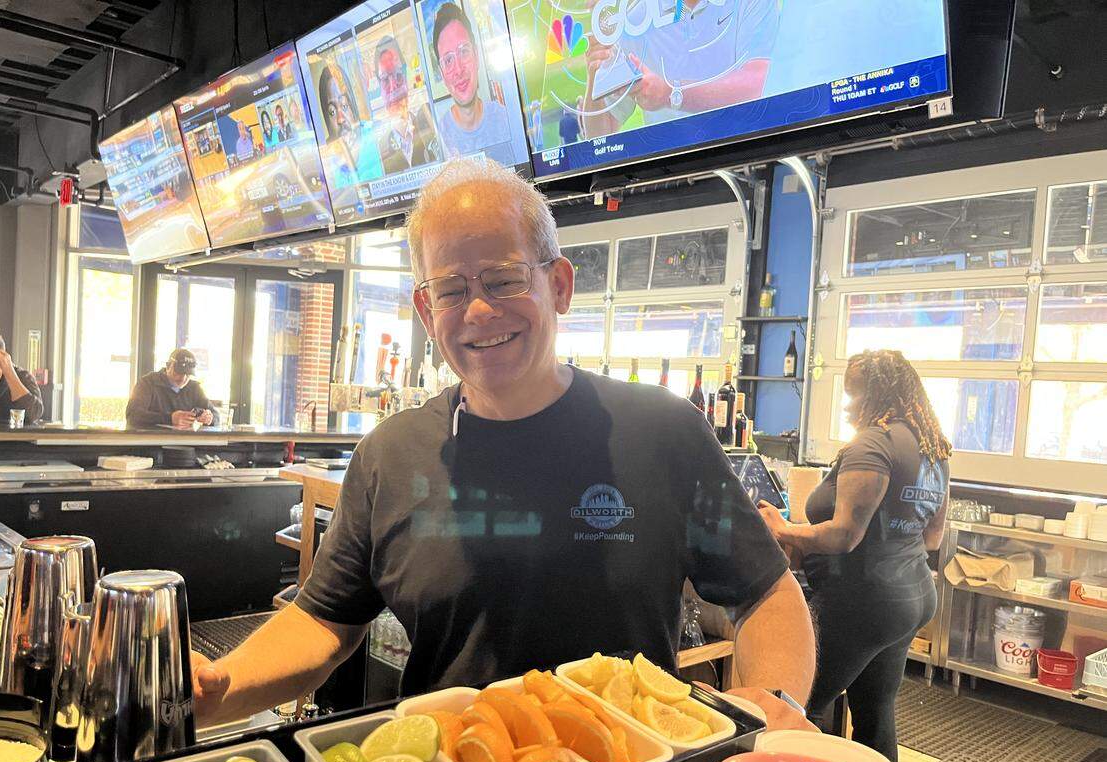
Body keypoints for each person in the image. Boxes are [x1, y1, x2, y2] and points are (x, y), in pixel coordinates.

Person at [192, 158, 816, 731]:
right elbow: (322, 619)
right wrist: (222, 686)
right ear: (424, 306)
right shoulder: (390, 454)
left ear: (560, 286)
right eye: (452, 289)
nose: (480, 310)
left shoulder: (663, 431)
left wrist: (778, 703)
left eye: (505, 279)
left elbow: (764, 589)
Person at [757, 349, 950, 762]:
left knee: (797, 706)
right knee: (874, 714)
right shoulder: (932, 447)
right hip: (912, 595)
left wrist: (782, 528)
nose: (848, 404)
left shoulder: (873, 443)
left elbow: (843, 535)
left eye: (853, 394)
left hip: (862, 601)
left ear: (876, 394)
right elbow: (933, 537)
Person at [583, 0, 779, 137]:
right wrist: (596, 73)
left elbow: (757, 85)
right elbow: (601, 134)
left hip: (746, 157)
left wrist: (671, 94)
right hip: (670, 176)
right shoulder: (635, 22)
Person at [430, 4, 509, 156]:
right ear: (442, 74)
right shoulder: (439, 141)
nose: (458, 70)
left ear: (477, 56)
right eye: (448, 60)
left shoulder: (505, 119)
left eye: (464, 52)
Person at [373, 36, 441, 173]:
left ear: (406, 79)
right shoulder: (378, 150)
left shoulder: (430, 122)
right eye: (385, 79)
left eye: (398, 75)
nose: (393, 88)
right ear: (379, 88)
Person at [125, 348, 219, 430]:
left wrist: (209, 418)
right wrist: (169, 419)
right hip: (150, 444)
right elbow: (132, 415)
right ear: (168, 366)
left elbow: (216, 416)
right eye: (178, 373)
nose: (183, 379)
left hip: (184, 444)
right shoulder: (148, 383)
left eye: (187, 374)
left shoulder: (194, 388)